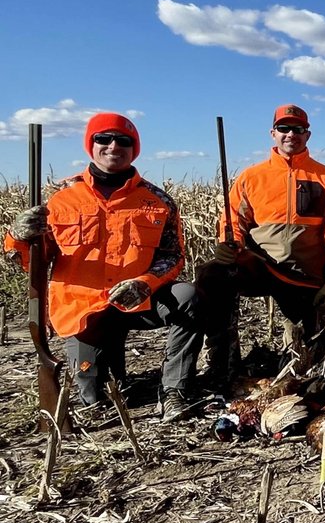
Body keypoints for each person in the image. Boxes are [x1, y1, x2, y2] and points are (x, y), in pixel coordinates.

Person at [4, 113, 202, 421]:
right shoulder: (60, 198)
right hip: (83, 309)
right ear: (90, 144)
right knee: (95, 403)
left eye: (124, 141)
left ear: (134, 149)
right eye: (103, 138)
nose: (113, 146)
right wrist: (17, 237)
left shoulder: (158, 200)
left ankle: (175, 391)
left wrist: (145, 282)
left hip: (139, 302)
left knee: (188, 296)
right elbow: (33, 261)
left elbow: (173, 256)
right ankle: (107, 375)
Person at [197, 104, 325, 375]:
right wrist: (229, 244)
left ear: (307, 135)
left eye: (298, 129)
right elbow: (233, 220)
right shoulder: (252, 177)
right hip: (261, 267)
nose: (291, 134)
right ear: (273, 133)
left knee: (306, 361)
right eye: (284, 128)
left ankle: (304, 342)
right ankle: (222, 361)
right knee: (213, 275)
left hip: (304, 275)